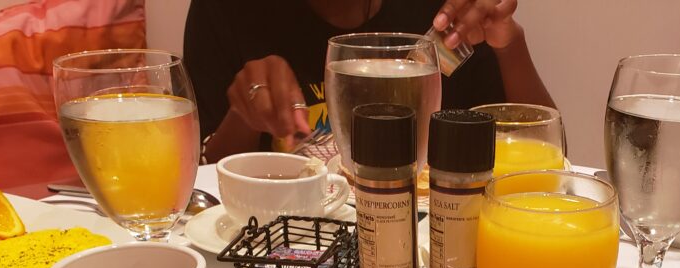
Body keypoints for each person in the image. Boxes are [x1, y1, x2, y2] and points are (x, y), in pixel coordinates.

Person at [184, 0, 554, 163]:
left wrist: (510, 45)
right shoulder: (229, 10)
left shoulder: (446, 12)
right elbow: (200, 190)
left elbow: (545, 156)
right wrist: (245, 114)